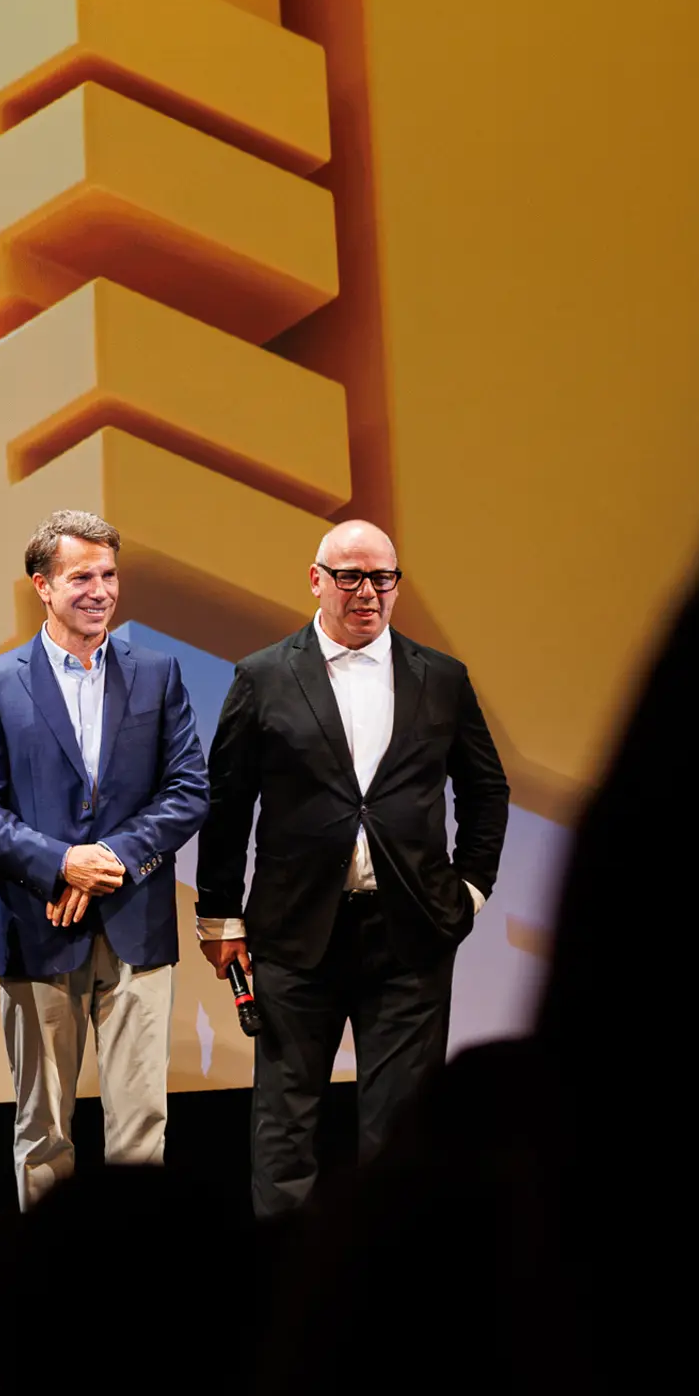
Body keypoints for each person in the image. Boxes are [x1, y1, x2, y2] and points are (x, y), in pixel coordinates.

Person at [196, 520, 509, 1216]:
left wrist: (471, 891)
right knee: (285, 1124)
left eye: (382, 578)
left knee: (402, 1131)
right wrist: (219, 915)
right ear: (316, 580)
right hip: (292, 933)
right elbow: (227, 804)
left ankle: (392, 1297)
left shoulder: (442, 678)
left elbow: (486, 790)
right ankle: (282, 1292)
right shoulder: (263, 676)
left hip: (410, 934)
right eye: (350, 577)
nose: (367, 593)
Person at [0, 511, 210, 1206]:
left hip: (137, 926)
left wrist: (107, 860)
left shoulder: (157, 674)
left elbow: (189, 789)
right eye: (80, 577)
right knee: (42, 1130)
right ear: (42, 585)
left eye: (108, 575)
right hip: (38, 929)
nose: (99, 590)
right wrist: (62, 863)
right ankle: (40, 1295)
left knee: (140, 1130)